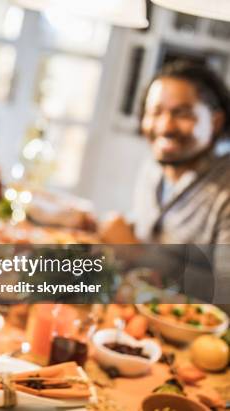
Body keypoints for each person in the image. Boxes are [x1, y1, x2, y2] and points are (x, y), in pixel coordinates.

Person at [99, 60, 230, 304]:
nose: (165, 126)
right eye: (156, 112)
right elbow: (153, 230)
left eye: (182, 113)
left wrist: (137, 254)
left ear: (215, 122)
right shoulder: (154, 167)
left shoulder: (225, 192)